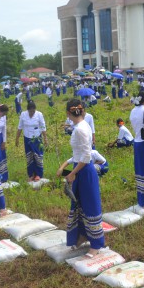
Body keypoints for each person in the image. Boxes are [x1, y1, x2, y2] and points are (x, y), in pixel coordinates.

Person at [62, 99, 106, 258]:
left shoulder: (80, 129)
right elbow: (79, 154)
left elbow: (86, 156)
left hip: (85, 170)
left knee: (90, 206)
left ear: (68, 114)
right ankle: (82, 236)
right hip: (80, 168)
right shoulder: (82, 125)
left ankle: (96, 244)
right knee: (79, 204)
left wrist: (73, 173)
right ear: (83, 111)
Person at [15, 100, 49, 182]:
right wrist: (17, 138)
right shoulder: (23, 114)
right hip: (27, 138)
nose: (32, 113)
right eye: (30, 111)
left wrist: (45, 138)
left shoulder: (39, 114)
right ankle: (31, 175)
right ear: (28, 110)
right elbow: (20, 127)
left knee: (37, 156)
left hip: (37, 138)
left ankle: (38, 174)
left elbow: (43, 127)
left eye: (33, 111)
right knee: (29, 156)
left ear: (35, 110)